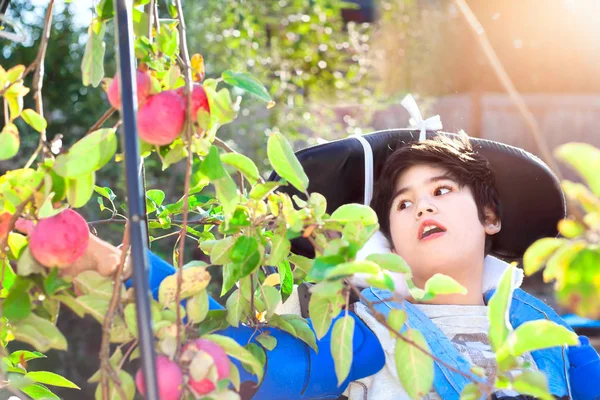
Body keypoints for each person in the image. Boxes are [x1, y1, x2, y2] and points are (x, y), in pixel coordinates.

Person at [77, 129, 600, 399]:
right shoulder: (375, 336)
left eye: (442, 190)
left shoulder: (550, 338)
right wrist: (123, 267)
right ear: (390, 238)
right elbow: (253, 362)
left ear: (489, 218)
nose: (423, 206)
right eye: (403, 203)